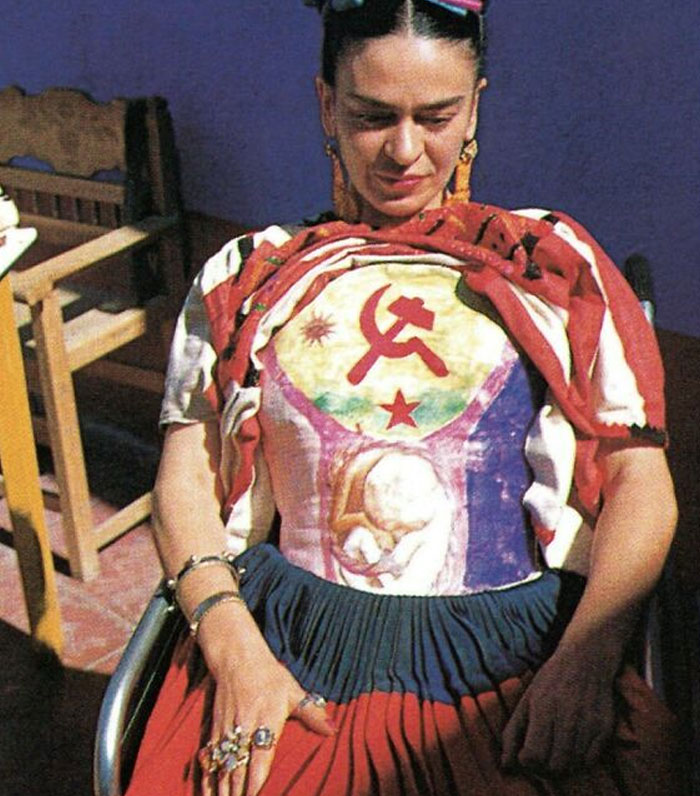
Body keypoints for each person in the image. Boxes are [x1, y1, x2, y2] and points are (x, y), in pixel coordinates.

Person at [124, 1, 681, 794]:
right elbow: (184, 479)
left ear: (475, 107)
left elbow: (638, 480)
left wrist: (587, 658)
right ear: (326, 104)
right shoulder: (246, 277)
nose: (405, 151)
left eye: (437, 116)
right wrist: (234, 650)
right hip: (289, 648)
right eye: (372, 117)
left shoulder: (552, 266)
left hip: (517, 655)